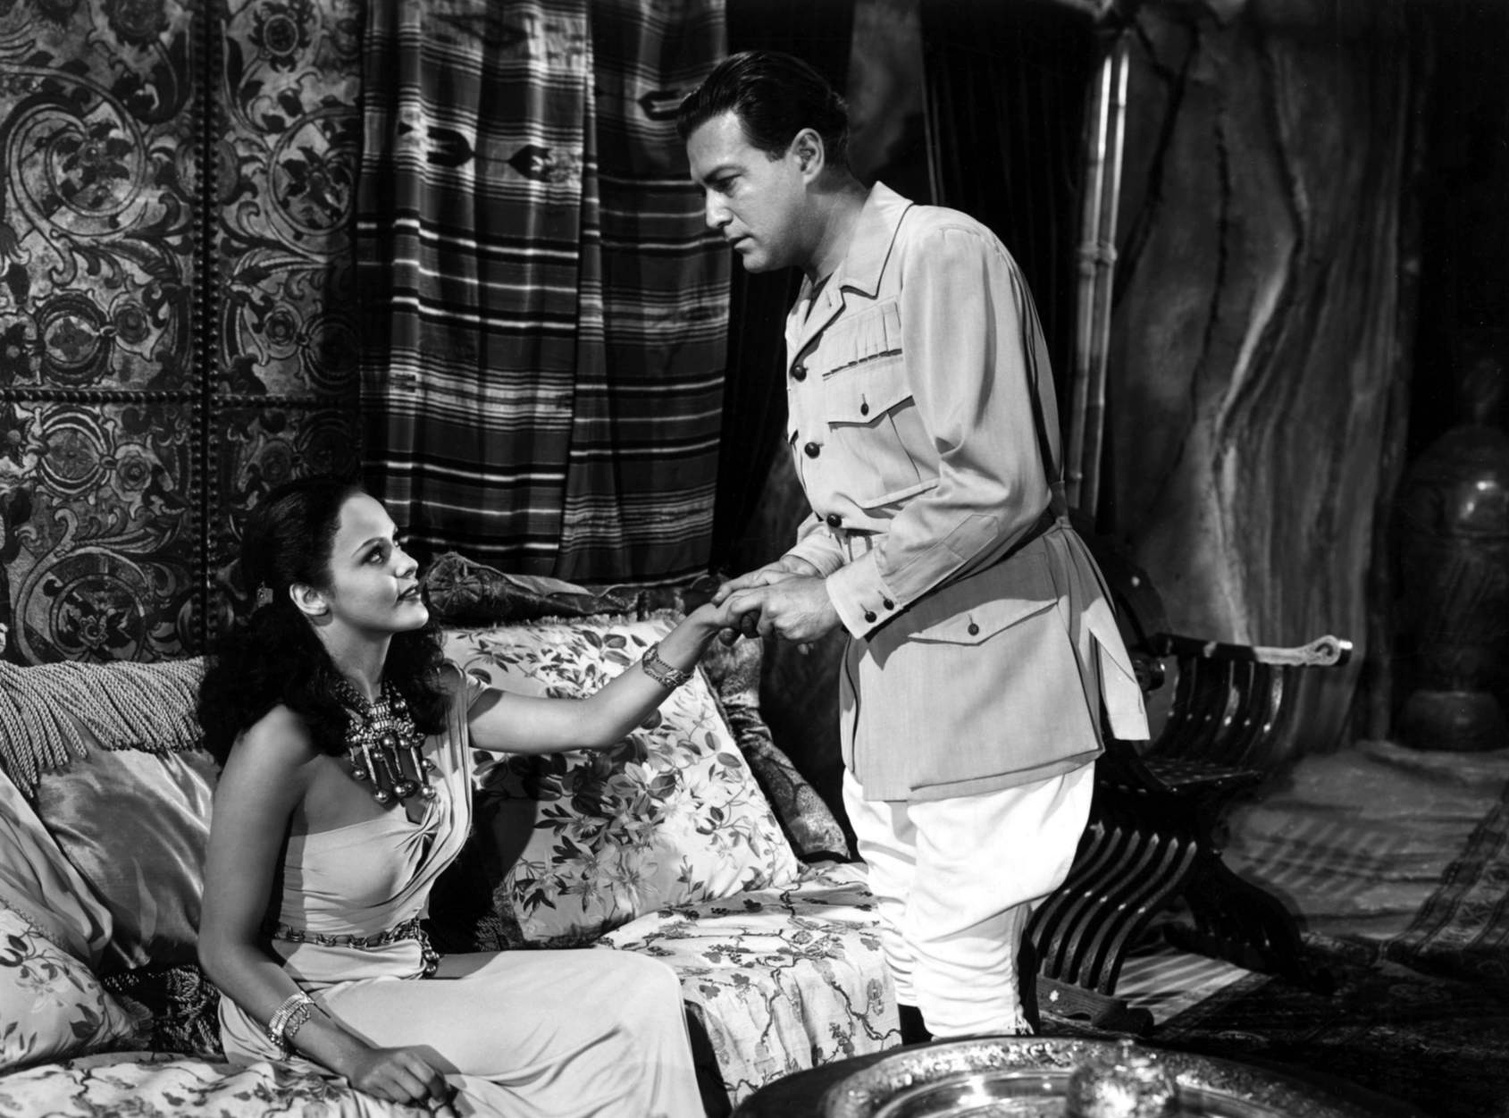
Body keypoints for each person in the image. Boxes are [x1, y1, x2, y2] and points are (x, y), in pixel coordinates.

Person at [677, 51, 1149, 1043]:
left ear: (806, 155)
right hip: (893, 693)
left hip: (992, 677)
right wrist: (802, 563)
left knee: (966, 976)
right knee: (911, 958)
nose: (713, 214)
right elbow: (869, 499)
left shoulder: (941, 255)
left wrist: (839, 597)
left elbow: (998, 484)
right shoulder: (812, 304)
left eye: (728, 182)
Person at [196, 475, 735, 1117]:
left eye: (398, 544)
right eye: (375, 556)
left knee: (643, 985)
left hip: (414, 971)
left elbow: (593, 722)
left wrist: (700, 627)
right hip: (315, 1000)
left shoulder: (434, 696)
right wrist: (353, 1057)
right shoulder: (279, 741)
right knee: (586, 1029)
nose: (407, 564)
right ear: (312, 596)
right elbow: (222, 950)